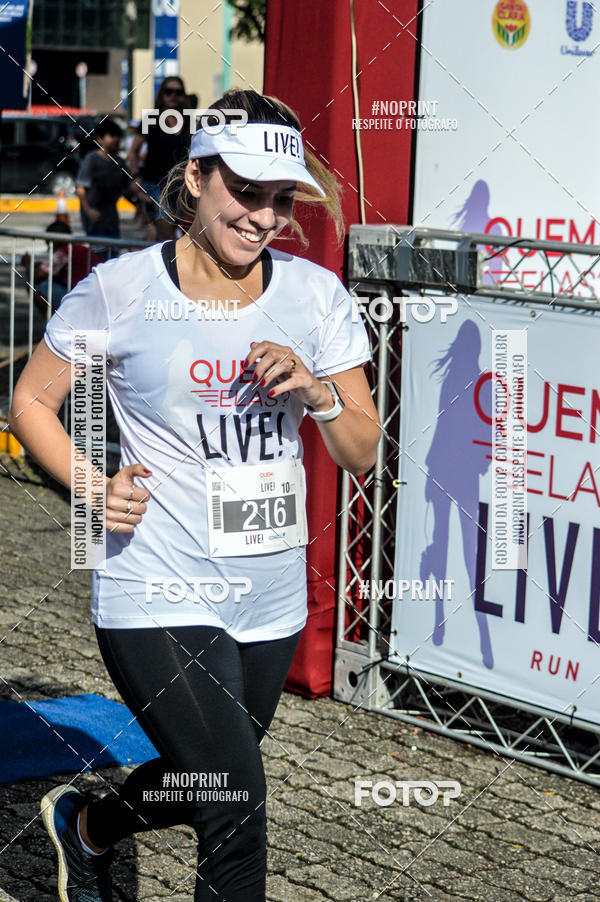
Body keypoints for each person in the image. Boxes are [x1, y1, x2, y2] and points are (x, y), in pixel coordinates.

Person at [8, 88, 381, 902]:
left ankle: (86, 826)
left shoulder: (316, 297)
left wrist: (318, 393)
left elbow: (362, 449)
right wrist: (90, 484)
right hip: (157, 585)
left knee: (202, 776)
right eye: (244, 192)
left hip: (271, 597)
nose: (262, 217)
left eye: (280, 200)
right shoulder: (120, 290)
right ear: (196, 179)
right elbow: (31, 401)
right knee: (236, 807)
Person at [126, 75, 191, 241]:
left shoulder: (189, 120)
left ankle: (143, 257)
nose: (173, 96)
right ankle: (168, 264)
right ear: (161, 94)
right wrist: (135, 176)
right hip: (155, 182)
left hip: (182, 185)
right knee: (165, 228)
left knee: (176, 232)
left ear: (183, 95)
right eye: (168, 92)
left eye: (178, 92)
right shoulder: (151, 119)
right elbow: (133, 151)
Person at [76, 118, 139, 252]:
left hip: (111, 218)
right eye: (111, 135)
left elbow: (128, 189)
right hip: (95, 218)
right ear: (100, 139)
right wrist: (89, 211)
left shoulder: (120, 163)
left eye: (117, 136)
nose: (115, 139)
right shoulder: (91, 159)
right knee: (98, 254)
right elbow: (81, 188)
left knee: (113, 254)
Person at [20, 221, 100, 320]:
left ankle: (52, 321)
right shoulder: (78, 248)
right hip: (93, 295)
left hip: (80, 297)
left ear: (56, 241)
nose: (49, 249)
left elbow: (37, 275)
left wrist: (28, 263)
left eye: (50, 244)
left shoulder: (66, 250)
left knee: (33, 285)